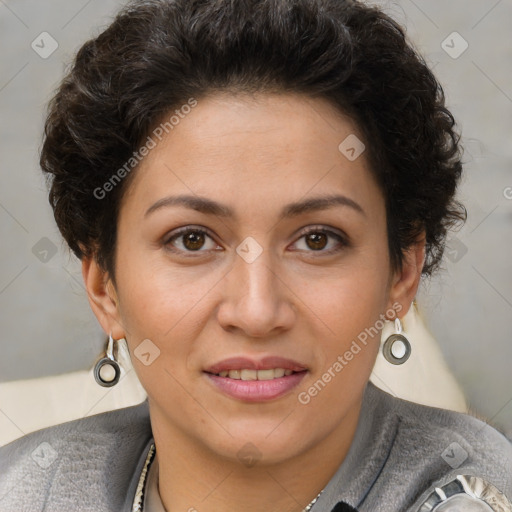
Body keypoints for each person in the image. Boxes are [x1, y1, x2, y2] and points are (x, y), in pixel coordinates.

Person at [0, 0, 511, 511]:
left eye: (317, 240)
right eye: (192, 240)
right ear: (104, 287)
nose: (256, 311)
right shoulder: (25, 488)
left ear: (401, 272)